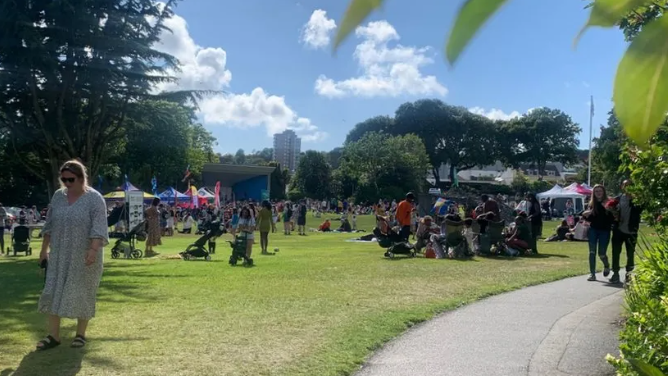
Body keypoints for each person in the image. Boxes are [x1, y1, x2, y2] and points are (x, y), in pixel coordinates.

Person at [36, 160, 109, 350]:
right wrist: (44, 250)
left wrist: (93, 250)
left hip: (85, 255)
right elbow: (49, 225)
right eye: (64, 179)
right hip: (59, 254)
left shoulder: (95, 198)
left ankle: (80, 334)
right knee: (52, 290)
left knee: (83, 291)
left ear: (81, 177)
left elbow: (99, 227)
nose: (67, 183)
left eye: (71, 179)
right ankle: (53, 336)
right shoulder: (58, 196)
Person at [610, 180, 643, 284]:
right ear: (622, 187)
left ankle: (628, 274)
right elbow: (610, 213)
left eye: (630, 186)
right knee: (615, 253)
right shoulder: (617, 199)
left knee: (630, 254)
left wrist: (635, 198)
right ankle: (615, 273)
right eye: (625, 185)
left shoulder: (637, 200)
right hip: (618, 231)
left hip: (631, 231)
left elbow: (641, 210)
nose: (627, 187)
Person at [582, 184, 613, 281]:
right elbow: (588, 218)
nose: (598, 193)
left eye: (600, 191)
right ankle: (592, 274)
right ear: (593, 193)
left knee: (601, 253)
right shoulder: (591, 204)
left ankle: (606, 265)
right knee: (592, 252)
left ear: (604, 192)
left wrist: (609, 210)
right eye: (596, 191)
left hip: (605, 231)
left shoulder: (609, 203)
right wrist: (585, 214)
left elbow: (613, 218)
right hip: (593, 230)